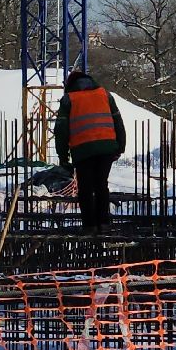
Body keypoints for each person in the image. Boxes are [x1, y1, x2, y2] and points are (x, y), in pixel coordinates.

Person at [53, 70, 126, 232]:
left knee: (85, 188)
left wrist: (63, 157)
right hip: (106, 148)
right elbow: (118, 121)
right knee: (101, 185)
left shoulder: (69, 99)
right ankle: (104, 223)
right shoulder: (105, 94)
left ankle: (89, 225)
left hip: (82, 149)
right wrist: (120, 146)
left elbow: (61, 130)